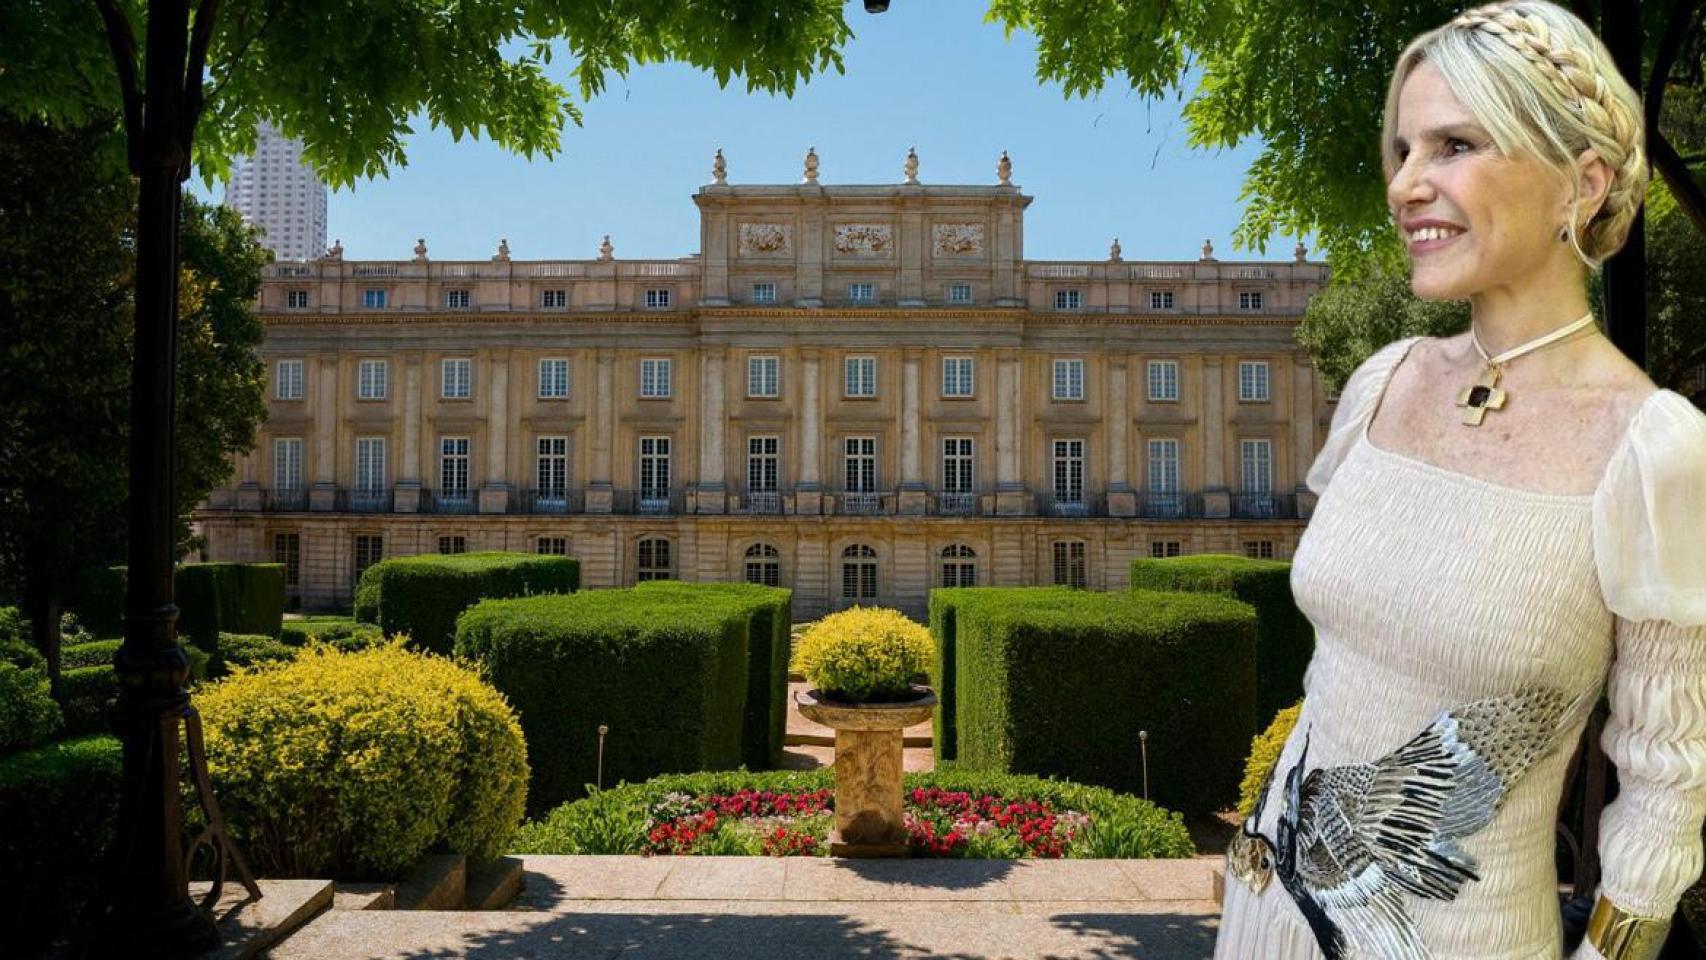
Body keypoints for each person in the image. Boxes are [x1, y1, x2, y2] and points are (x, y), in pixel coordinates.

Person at [1212, 2, 1706, 958]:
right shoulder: (1382, 382)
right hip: (1263, 916)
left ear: (1582, 183)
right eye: (1403, 151)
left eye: (1454, 146)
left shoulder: (1653, 449)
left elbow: (1668, 781)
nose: (1405, 185)